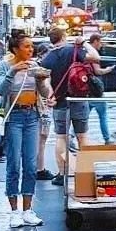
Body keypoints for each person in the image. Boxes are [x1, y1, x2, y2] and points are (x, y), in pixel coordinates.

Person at [0, 34, 54, 227]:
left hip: (32, 116)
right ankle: (14, 211)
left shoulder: (35, 65)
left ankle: (28, 209)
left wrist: (44, 85)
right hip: (14, 118)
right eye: (26, 47)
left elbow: (44, 92)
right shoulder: (5, 65)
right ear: (15, 49)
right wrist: (12, 71)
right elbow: (0, 90)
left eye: (31, 47)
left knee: (30, 165)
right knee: (14, 164)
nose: (31, 50)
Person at [41, 27, 100, 187]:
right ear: (64, 36)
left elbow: (45, 82)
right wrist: (85, 43)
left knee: (61, 137)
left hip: (60, 101)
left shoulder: (47, 59)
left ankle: (62, 173)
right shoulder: (73, 51)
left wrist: (50, 95)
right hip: (79, 99)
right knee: (82, 136)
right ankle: (86, 172)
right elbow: (96, 57)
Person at [87, 33, 116, 144]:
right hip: (96, 90)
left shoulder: (86, 53)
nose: (101, 44)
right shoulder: (93, 55)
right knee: (103, 115)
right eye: (100, 41)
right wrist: (108, 69)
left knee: (84, 116)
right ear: (95, 41)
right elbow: (98, 71)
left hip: (89, 89)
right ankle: (107, 138)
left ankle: (71, 136)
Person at [35, 43, 55, 181]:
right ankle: (39, 168)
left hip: (43, 104)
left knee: (42, 138)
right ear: (42, 54)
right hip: (42, 105)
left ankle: (39, 167)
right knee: (41, 138)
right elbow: (46, 86)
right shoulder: (41, 69)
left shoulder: (39, 67)